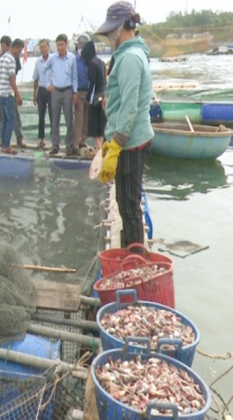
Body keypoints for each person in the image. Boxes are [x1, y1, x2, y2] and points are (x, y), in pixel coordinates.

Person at [95, 1, 153, 249]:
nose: (109, 37)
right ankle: (132, 252)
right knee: (127, 203)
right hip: (130, 139)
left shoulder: (129, 58)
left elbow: (130, 108)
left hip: (130, 144)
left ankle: (135, 259)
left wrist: (115, 146)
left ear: (122, 27)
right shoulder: (133, 53)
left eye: (111, 32)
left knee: (129, 208)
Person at [43, 34, 78, 155]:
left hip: (68, 91)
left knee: (69, 119)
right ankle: (55, 145)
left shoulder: (72, 58)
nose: (60, 47)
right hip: (56, 91)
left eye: (62, 44)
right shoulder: (52, 58)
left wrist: (75, 92)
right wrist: (48, 84)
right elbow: (43, 69)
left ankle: (69, 145)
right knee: (55, 119)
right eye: (58, 45)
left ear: (66, 45)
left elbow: (74, 77)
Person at [0, 37, 25, 147]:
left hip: (0, 92)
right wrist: (17, 94)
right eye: (20, 50)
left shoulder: (2, 58)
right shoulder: (11, 59)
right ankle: (6, 144)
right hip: (7, 94)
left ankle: (3, 142)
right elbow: (12, 78)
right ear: (15, 47)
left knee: (5, 119)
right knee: (11, 119)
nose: (19, 53)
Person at [82, 41, 106, 150]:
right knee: (101, 125)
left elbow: (93, 83)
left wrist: (88, 98)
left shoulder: (92, 63)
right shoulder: (101, 62)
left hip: (95, 97)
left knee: (93, 125)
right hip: (104, 96)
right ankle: (99, 147)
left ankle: (99, 149)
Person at [70, 34, 91, 155]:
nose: (79, 47)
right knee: (78, 119)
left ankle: (83, 140)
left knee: (86, 118)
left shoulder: (89, 60)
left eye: (81, 45)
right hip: (78, 91)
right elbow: (73, 77)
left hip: (88, 92)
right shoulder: (74, 60)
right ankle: (75, 143)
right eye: (78, 46)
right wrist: (74, 92)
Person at [32, 39, 53, 150]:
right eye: (41, 48)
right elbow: (35, 79)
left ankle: (54, 139)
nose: (43, 49)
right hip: (41, 90)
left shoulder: (53, 59)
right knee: (41, 115)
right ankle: (42, 139)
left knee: (52, 115)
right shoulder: (38, 62)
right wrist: (34, 95)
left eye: (44, 47)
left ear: (48, 47)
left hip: (51, 90)